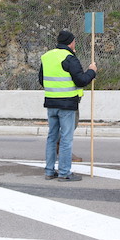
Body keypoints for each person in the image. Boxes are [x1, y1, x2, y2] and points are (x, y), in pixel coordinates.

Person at [39, 30, 96, 182]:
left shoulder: (47, 56)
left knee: (52, 138)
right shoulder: (69, 58)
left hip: (51, 103)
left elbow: (41, 79)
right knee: (66, 139)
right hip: (67, 104)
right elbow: (81, 80)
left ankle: (49, 171)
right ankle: (64, 173)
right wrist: (92, 71)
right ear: (70, 42)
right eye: (74, 41)